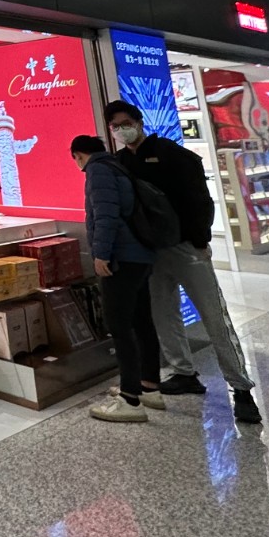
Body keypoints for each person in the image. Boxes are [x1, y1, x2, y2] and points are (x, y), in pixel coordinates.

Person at [105, 100, 262, 424]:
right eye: (115, 127)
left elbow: (198, 198)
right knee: (164, 314)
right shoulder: (121, 162)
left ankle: (241, 389)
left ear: (139, 121)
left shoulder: (171, 154)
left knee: (214, 317)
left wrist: (200, 240)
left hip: (187, 248)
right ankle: (183, 373)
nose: (121, 130)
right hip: (151, 252)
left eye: (125, 123)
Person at [71, 134, 165, 423]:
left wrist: (100, 254)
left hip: (121, 259)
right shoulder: (116, 165)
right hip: (140, 255)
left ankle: (130, 399)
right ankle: (148, 386)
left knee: (119, 326)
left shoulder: (97, 171)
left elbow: (105, 215)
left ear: (78, 155)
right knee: (141, 321)